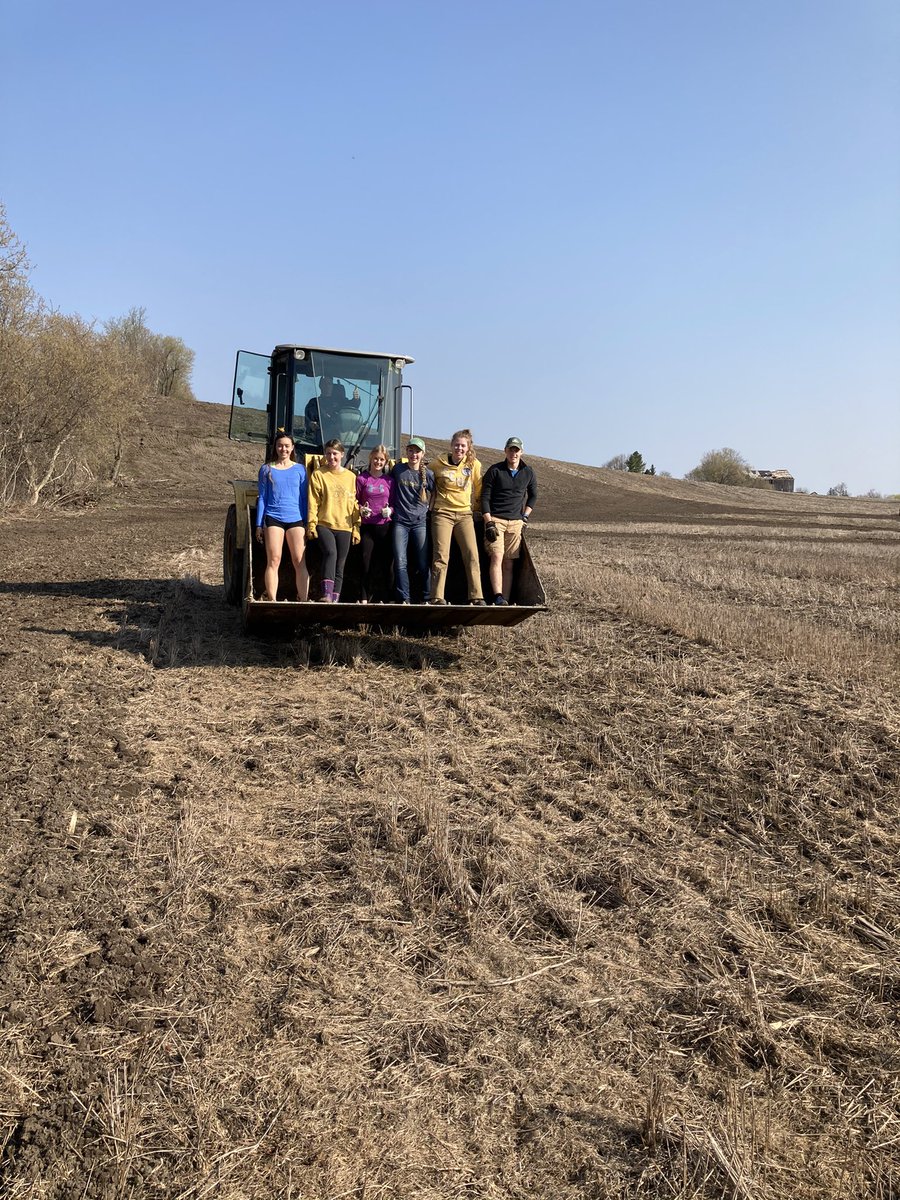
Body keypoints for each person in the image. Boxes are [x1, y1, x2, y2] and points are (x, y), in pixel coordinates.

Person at [429, 428, 485, 605]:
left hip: (464, 515)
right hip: (442, 514)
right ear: (451, 445)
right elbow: (424, 478)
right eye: (456, 445)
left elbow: (479, 488)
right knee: (441, 556)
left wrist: (477, 509)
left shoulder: (473, 465)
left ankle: (476, 596)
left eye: (463, 446)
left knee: (471, 554)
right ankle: (437, 596)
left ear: (468, 448)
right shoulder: (437, 464)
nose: (459, 449)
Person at [482, 436, 537, 605]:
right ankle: (497, 596)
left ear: (521, 452)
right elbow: (485, 497)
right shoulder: (495, 470)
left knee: (509, 563)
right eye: (511, 449)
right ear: (505, 451)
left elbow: (533, 496)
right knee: (496, 557)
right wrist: (488, 521)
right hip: (496, 520)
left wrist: (525, 516)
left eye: (516, 450)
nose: (514, 453)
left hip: (515, 523)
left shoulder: (528, 472)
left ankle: (504, 601)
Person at [255, 430, 309, 602]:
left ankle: (304, 599)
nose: (283, 449)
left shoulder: (300, 470)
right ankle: (273, 600)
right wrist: (258, 524)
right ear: (275, 447)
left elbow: (304, 498)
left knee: (299, 560)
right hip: (273, 518)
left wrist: (307, 523)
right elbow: (262, 497)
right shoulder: (266, 469)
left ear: (292, 448)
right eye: (280, 445)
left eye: (287, 446)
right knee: (274, 559)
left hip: (296, 519)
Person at [307, 438, 360, 602]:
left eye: (335, 453)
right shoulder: (318, 474)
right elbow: (313, 501)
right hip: (325, 524)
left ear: (342, 455)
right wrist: (311, 524)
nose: (331, 457)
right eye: (328, 453)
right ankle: (326, 594)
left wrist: (356, 528)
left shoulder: (351, 477)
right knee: (330, 553)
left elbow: (354, 503)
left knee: (341, 563)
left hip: (345, 526)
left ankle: (335, 598)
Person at [390, 437, 434, 603]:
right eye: (410, 450)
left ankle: (426, 597)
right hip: (400, 522)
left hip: (419, 523)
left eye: (417, 451)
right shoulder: (398, 470)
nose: (413, 454)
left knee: (423, 562)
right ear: (406, 452)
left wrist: (429, 508)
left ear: (422, 454)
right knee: (400, 561)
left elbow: (435, 492)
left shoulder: (428, 475)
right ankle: (404, 598)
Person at [356, 444, 395, 603]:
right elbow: (356, 501)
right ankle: (364, 598)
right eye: (376, 459)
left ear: (385, 462)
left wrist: (390, 511)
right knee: (366, 563)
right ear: (370, 458)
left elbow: (394, 503)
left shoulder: (390, 481)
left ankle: (390, 599)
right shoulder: (361, 479)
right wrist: (360, 510)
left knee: (388, 565)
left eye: (381, 459)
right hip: (367, 526)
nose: (378, 462)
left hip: (385, 526)